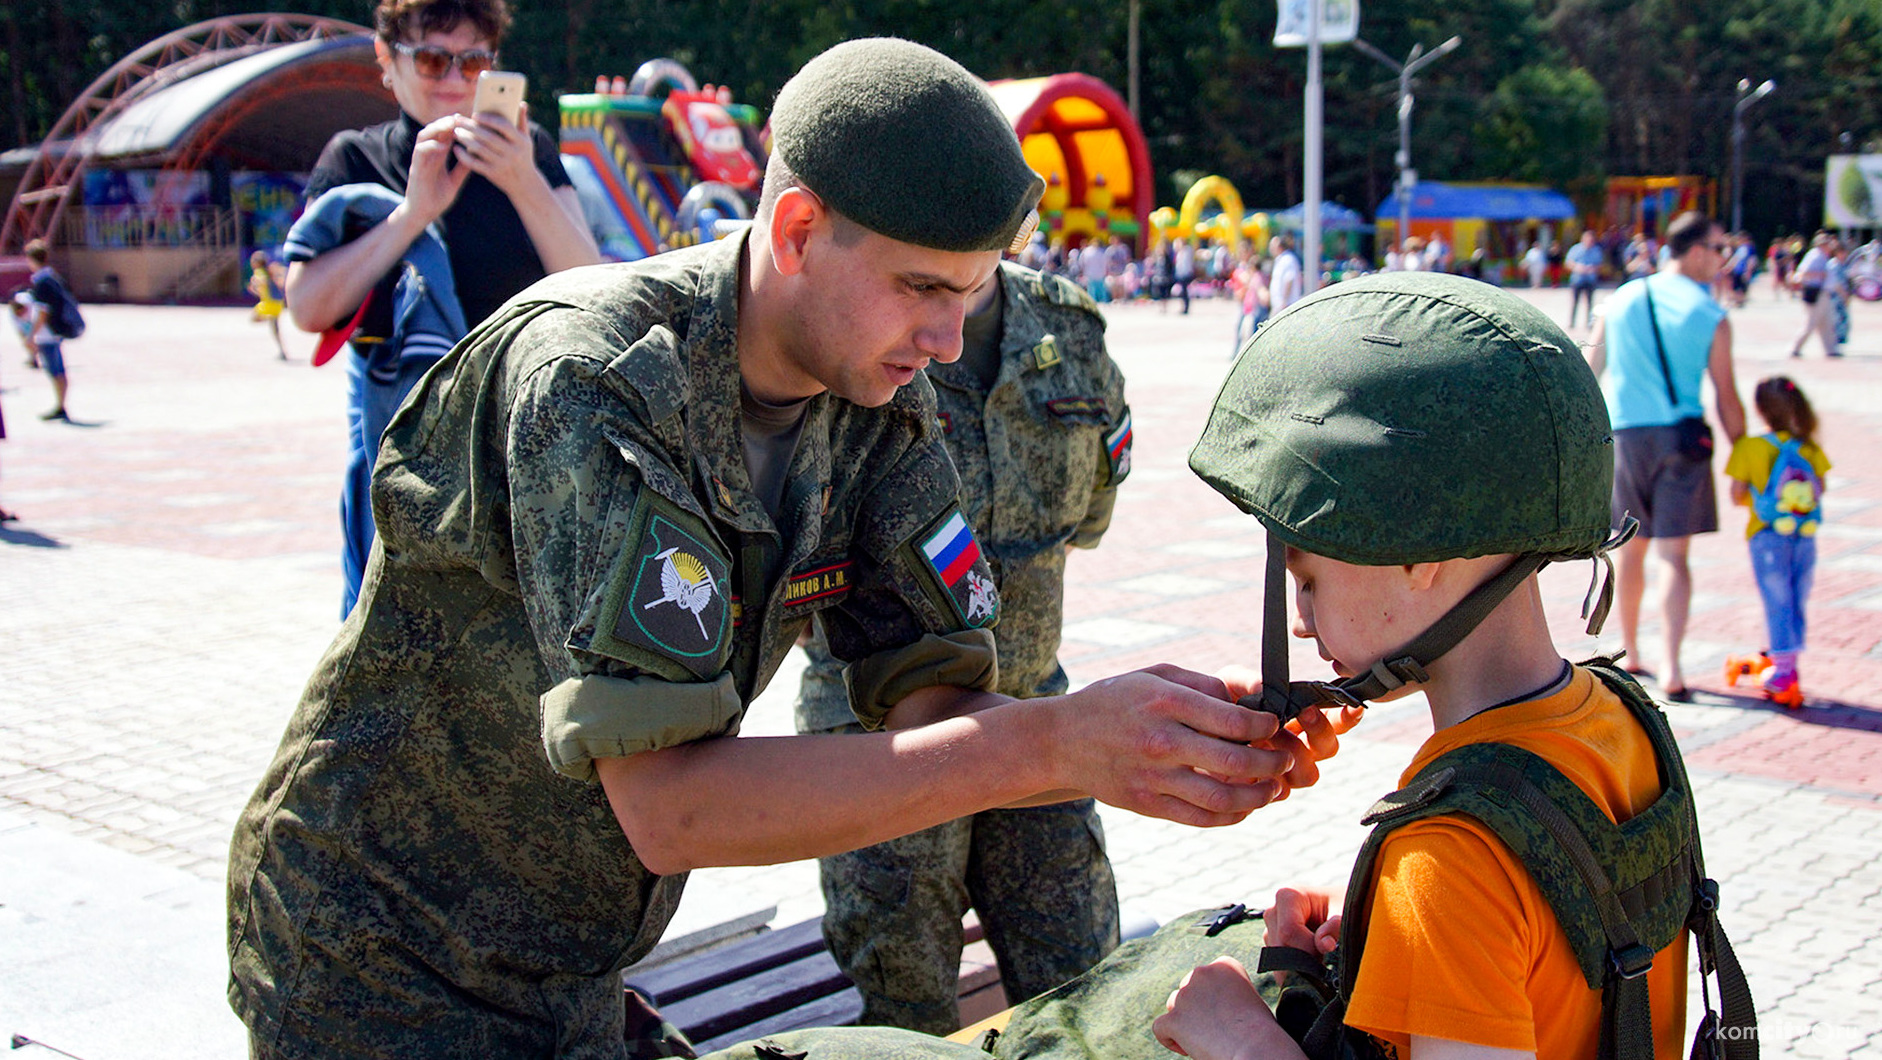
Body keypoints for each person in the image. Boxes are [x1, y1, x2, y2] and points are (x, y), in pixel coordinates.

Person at [227, 38, 1329, 1060]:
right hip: (377, 954)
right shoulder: (597, 380)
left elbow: (931, 708)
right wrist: (1052, 747)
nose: (948, 339)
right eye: (924, 288)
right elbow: (673, 809)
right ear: (797, 230)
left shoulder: (876, 395)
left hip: (564, 958)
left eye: (973, 293)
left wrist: (1159, 731)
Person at [1161, 271, 1703, 1060]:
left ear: (1420, 554)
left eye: (1308, 578)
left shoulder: (1449, 855)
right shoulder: (1624, 721)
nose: (1303, 618)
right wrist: (1403, 937)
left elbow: (1479, 897)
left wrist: (1240, 1038)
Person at [794, 257, 1131, 1034]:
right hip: (883, 739)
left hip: (1036, 714)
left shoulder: (1068, 325)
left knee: (1084, 986)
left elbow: (1093, 509)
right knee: (901, 1013)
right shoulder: (852, 318)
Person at [282, 0, 601, 617]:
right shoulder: (356, 158)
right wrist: (412, 215)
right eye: (432, 60)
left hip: (521, 439)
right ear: (387, 61)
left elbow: (594, 289)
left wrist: (522, 180)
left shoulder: (527, 150)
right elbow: (306, 305)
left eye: (474, 61)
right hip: (401, 445)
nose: (455, 81)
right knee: (392, 630)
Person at [1584, 212, 1746, 700]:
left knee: (1630, 550)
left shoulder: (1623, 298)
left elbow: (1591, 373)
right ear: (1696, 250)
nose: (1724, 260)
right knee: (1675, 556)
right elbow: (1726, 395)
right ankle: (1674, 667)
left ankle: (1632, 653)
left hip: (1626, 436)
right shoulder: (1710, 313)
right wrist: (1743, 454)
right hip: (1680, 440)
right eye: (1720, 250)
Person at [1722, 376, 1830, 709]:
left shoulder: (1750, 448)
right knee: (1796, 599)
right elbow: (1820, 488)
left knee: (1776, 601)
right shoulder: (1809, 447)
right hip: (1804, 536)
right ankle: (1788, 662)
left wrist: (1761, 500)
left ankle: (1783, 672)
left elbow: (1737, 495)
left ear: (1760, 410)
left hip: (1767, 537)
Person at [24, 239, 75, 422]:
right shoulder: (52, 277)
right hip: (53, 332)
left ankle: (60, 406)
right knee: (56, 369)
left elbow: (43, 312)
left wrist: (31, 335)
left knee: (55, 370)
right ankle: (60, 404)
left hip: (48, 333)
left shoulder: (42, 282)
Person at [1786, 232, 1838, 358]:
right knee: (1810, 323)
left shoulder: (1821, 256)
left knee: (1826, 323)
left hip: (1822, 293)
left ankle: (1830, 350)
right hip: (1816, 292)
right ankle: (1795, 348)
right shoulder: (1815, 256)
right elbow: (1804, 273)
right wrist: (1821, 275)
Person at [247, 250, 289, 360]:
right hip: (277, 303)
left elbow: (261, 282)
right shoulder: (270, 270)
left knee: (254, 318)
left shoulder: (260, 272)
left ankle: (282, 352)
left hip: (268, 304)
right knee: (275, 329)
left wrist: (255, 286)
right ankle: (282, 352)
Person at [1231, 253, 1270, 356]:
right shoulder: (1258, 276)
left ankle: (1252, 354)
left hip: (1256, 309)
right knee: (1249, 333)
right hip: (1253, 309)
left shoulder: (1257, 277)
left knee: (1252, 334)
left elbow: (1261, 290)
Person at [1565, 228, 1602, 328]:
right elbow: (1568, 262)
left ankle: (1589, 323)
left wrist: (1592, 268)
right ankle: (1572, 322)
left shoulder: (1596, 250)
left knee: (1590, 303)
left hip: (1590, 279)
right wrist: (1577, 267)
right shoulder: (1576, 249)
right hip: (1577, 279)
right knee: (1575, 302)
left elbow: (1599, 264)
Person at [1268, 235, 1303, 313]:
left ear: (1279, 246)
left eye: (1272, 246)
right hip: (1279, 306)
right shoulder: (1280, 260)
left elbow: (1289, 280)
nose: (1270, 249)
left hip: (1286, 306)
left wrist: (1284, 302)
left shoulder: (1288, 260)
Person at [1172, 236, 1197, 313]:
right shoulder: (1180, 252)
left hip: (1186, 273)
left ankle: (1186, 307)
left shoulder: (1187, 250)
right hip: (1180, 273)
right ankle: (1184, 307)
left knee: (1184, 291)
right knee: (1182, 291)